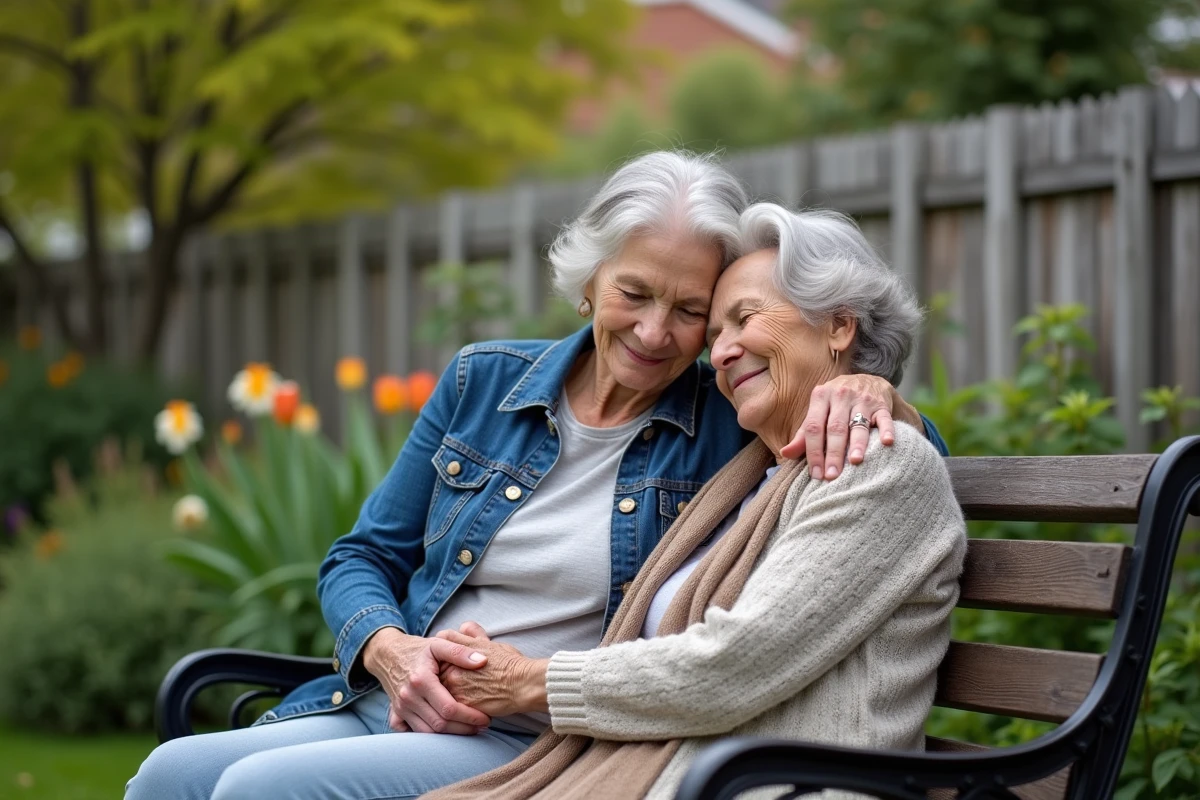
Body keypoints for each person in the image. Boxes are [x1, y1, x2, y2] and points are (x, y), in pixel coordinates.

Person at [126, 154, 946, 800]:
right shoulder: (485, 384)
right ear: (590, 284)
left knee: (255, 792)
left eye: (695, 311)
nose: (661, 332)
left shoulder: (725, 420)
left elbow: (890, 468)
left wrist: (873, 387)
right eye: (633, 293)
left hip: (542, 736)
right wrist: (389, 652)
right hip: (404, 699)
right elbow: (361, 557)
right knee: (171, 777)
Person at [422, 203, 968, 800]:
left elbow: (734, 665)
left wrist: (527, 682)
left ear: (839, 327)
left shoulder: (876, 462)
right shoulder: (753, 473)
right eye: (714, 335)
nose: (724, 352)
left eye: (745, 318)